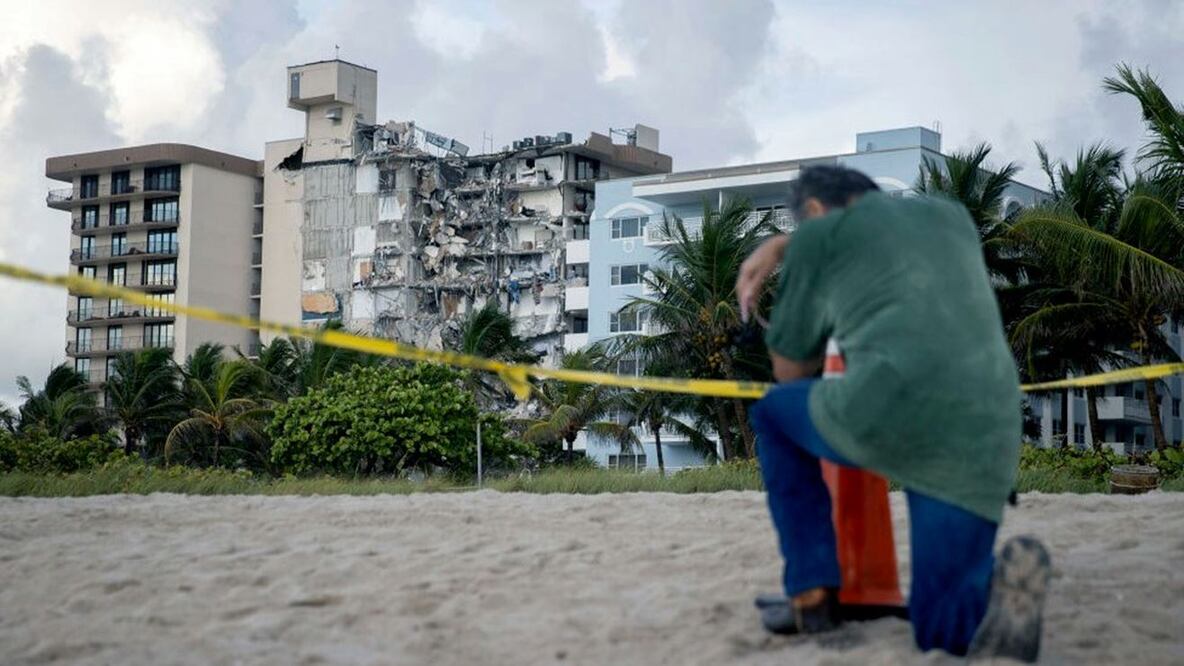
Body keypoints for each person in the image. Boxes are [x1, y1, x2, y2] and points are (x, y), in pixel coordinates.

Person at [735, 165, 1051, 661]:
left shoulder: (819, 236)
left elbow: (791, 370)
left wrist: (787, 261)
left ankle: (812, 594)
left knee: (776, 414)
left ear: (814, 211)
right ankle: (990, 606)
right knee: (940, 628)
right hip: (988, 426)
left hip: (892, 411)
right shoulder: (950, 217)